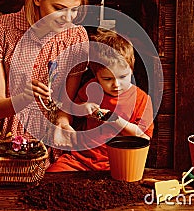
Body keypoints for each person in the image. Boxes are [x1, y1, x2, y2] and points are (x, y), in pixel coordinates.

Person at [0, 0, 89, 165]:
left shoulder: (77, 36)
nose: (67, 19)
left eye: (74, 10)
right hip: (4, 138)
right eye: (59, 8)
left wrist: (63, 122)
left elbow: (63, 109)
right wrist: (24, 98)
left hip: (50, 140)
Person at [46, 29, 154, 172]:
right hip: (80, 158)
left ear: (132, 69)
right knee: (52, 173)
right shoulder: (91, 88)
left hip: (117, 162)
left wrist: (115, 120)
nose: (116, 84)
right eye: (107, 79)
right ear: (96, 75)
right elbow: (73, 111)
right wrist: (83, 108)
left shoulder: (142, 99)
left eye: (123, 77)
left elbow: (144, 138)